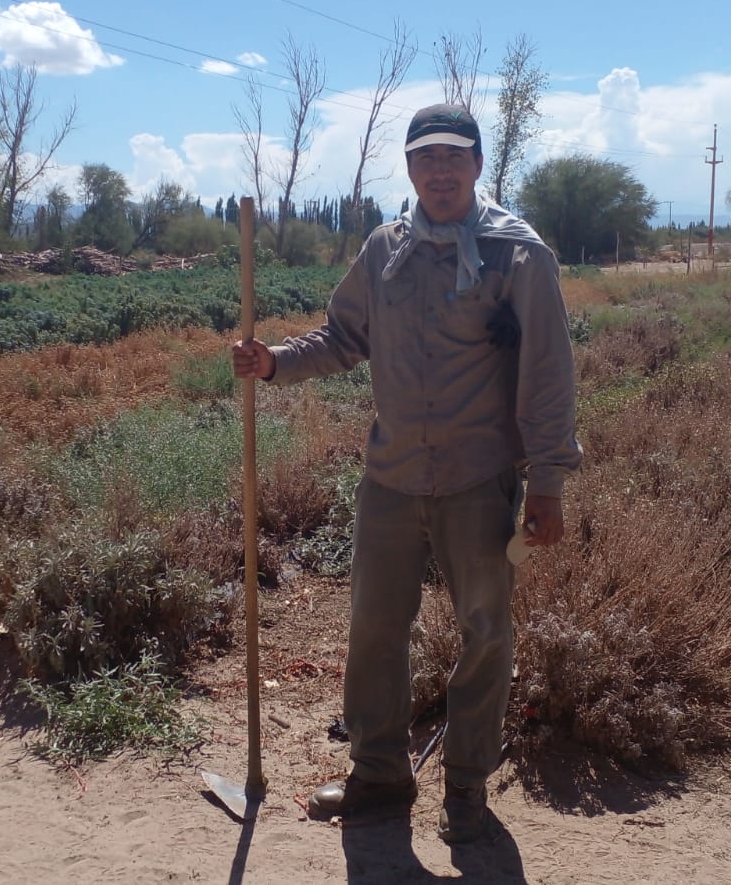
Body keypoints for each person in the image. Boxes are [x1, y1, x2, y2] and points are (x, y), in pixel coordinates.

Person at [231, 103, 581, 844]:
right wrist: (275, 363)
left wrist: (546, 482)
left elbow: (548, 375)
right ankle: (380, 776)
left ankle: (465, 789)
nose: (440, 171)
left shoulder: (518, 255)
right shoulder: (385, 249)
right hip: (391, 477)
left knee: (485, 633)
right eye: (426, 158)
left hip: (477, 480)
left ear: (479, 166)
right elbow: (343, 335)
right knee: (375, 629)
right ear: (412, 168)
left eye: (455, 157)